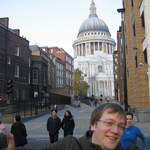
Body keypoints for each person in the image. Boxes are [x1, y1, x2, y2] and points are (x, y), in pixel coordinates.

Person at [48, 103, 138, 150]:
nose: (116, 130)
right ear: (93, 125)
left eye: (121, 126)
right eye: (109, 123)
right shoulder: (71, 146)